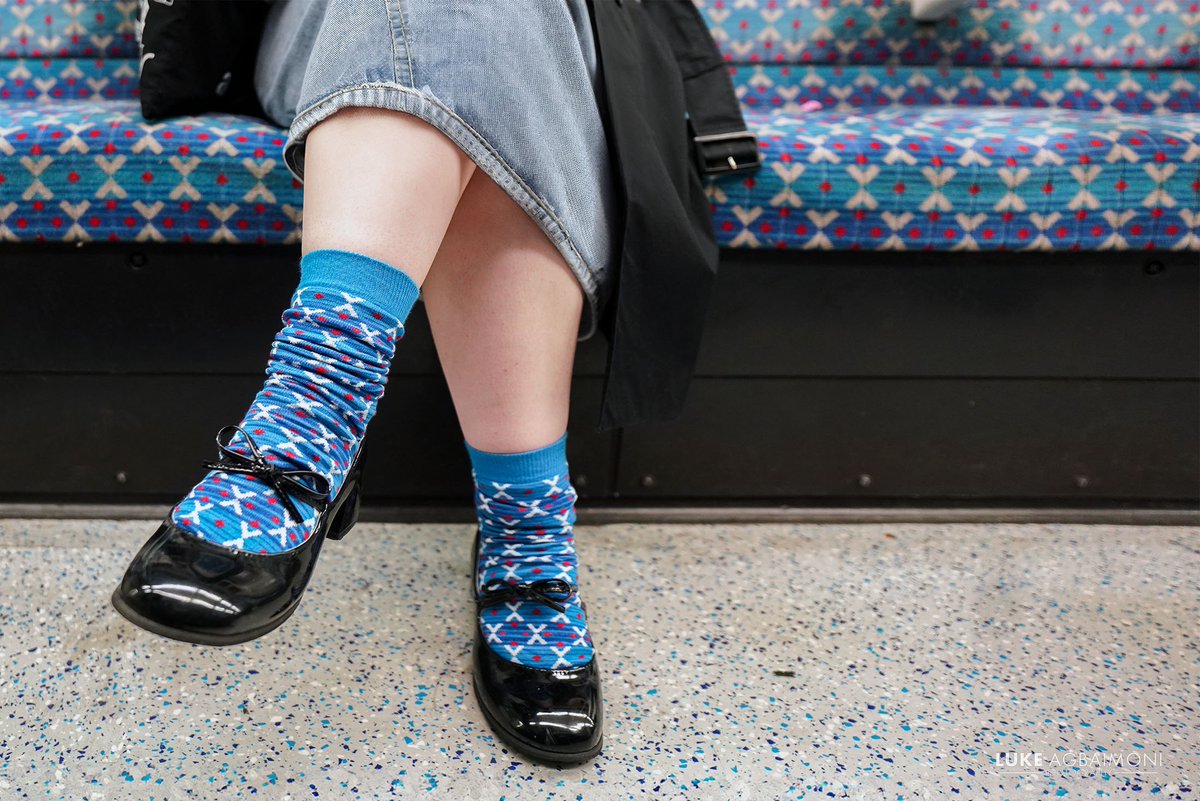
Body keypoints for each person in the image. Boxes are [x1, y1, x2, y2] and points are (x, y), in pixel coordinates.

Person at [112, 0, 755, 767]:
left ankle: (310, 419)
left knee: (496, 46)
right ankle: (525, 537)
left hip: (558, 32)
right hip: (328, 26)